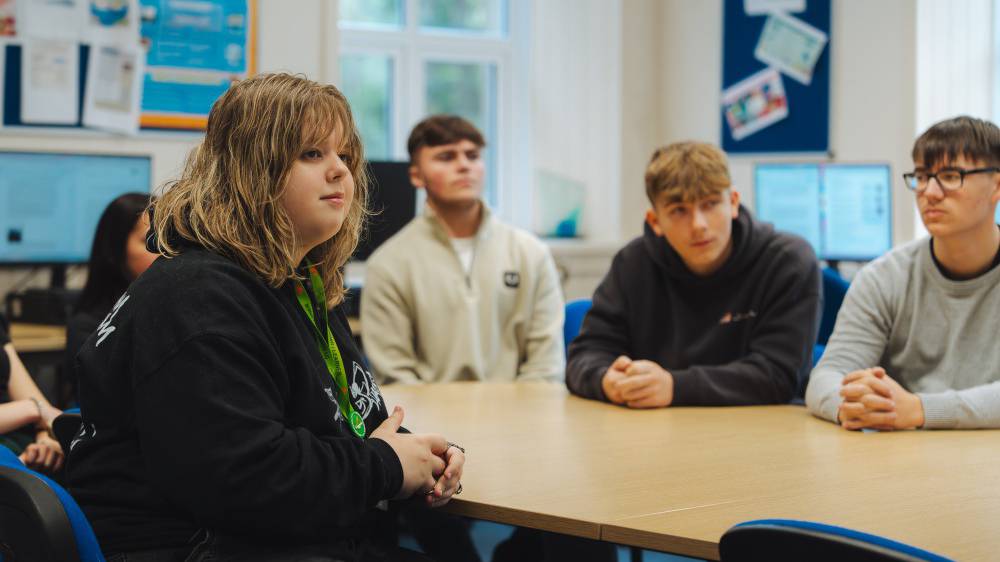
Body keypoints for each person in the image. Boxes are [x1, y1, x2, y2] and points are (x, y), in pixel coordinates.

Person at [67, 73, 464, 561]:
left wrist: (421, 452)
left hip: (281, 539)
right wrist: (386, 464)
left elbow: (350, 426)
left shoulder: (297, 284)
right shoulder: (198, 296)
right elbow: (249, 479)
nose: (340, 171)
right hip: (199, 549)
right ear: (250, 171)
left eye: (344, 155)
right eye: (312, 154)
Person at [566, 141, 821, 407]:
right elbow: (585, 354)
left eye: (710, 204)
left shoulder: (788, 262)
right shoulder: (632, 263)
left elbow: (779, 375)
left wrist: (675, 387)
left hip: (761, 425)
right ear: (655, 221)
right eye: (679, 210)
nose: (698, 225)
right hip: (653, 426)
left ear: (733, 202)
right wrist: (606, 380)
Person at [806, 115, 1000, 430]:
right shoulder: (884, 277)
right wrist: (855, 405)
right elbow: (826, 377)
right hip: (903, 454)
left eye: (950, 176)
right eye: (922, 176)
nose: (930, 192)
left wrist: (921, 409)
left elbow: (912, 410)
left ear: (996, 186)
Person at [361, 114, 564, 385]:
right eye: (446, 157)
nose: (464, 166)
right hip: (428, 413)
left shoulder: (531, 254)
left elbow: (546, 368)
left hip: (520, 410)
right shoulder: (388, 264)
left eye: (472, 155)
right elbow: (395, 377)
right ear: (416, 175)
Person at [66, 192, 157, 391]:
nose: (164, 250)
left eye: (169, 239)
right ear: (116, 248)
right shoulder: (88, 329)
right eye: (150, 240)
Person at [0, 313, 64, 473]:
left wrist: (44, 437)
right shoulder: (31, 409)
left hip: (22, 438)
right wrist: (32, 409)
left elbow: (46, 414)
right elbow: (37, 408)